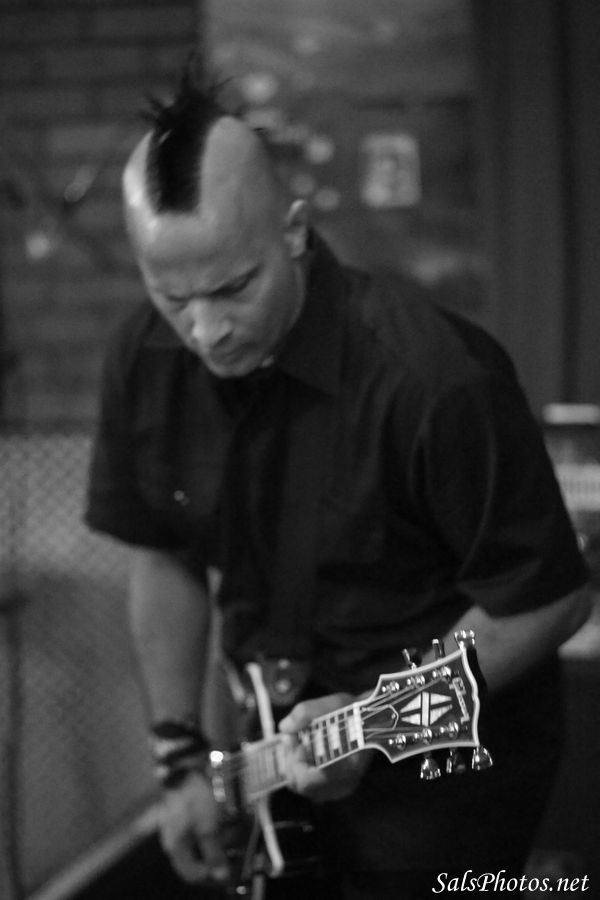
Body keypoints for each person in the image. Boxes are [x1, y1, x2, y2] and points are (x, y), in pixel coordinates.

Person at [85, 66, 590, 900]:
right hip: (273, 773)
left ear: (294, 231)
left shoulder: (435, 375)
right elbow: (164, 554)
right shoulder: (142, 360)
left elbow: (545, 600)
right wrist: (179, 758)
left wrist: (376, 723)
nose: (206, 330)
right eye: (172, 296)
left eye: (233, 288)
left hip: (446, 792)